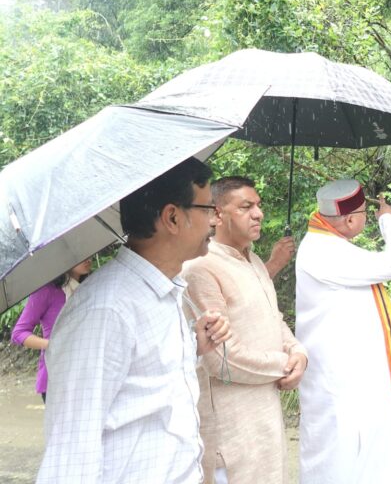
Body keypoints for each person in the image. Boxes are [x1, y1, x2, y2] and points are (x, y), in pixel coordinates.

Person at [36, 157, 232, 484]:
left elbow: (148, 385)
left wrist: (194, 345)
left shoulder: (163, 291)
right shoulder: (105, 310)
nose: (215, 220)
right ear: (172, 217)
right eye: (208, 209)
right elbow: (71, 453)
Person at [182, 176, 308, 484]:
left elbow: (274, 319)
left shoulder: (254, 261)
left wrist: (298, 352)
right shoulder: (201, 268)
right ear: (216, 214)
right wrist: (284, 364)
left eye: (258, 206)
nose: (258, 214)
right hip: (232, 431)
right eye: (246, 207)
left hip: (266, 419)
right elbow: (221, 359)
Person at [295, 179, 391, 484]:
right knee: (340, 463)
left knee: (368, 459)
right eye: (364, 213)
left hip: (357, 381)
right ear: (349, 220)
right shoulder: (324, 251)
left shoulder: (329, 245)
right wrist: (387, 220)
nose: (368, 218)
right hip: (341, 386)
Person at [11, 259, 92, 403]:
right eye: (79, 256)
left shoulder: (90, 288)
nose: (88, 259)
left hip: (86, 374)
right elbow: (19, 333)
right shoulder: (46, 290)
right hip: (56, 378)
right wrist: (53, 344)